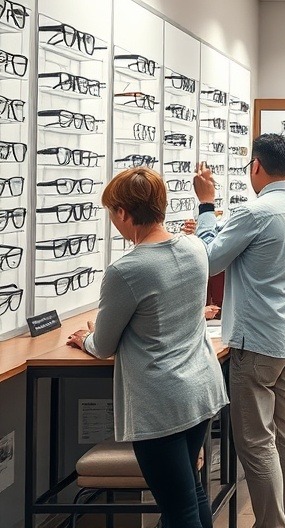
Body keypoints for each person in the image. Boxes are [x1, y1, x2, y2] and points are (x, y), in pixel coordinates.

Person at [66, 168, 228, 528]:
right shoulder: (195, 248)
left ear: (123, 212)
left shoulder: (128, 268)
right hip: (200, 388)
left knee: (178, 505)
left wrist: (86, 338)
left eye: (112, 214)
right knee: (190, 494)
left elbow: (104, 345)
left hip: (162, 401)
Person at [193, 134, 285, 528]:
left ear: (256, 167)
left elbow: (210, 261)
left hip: (257, 342)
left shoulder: (256, 212)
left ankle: (272, 524)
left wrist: (207, 207)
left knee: (256, 441)